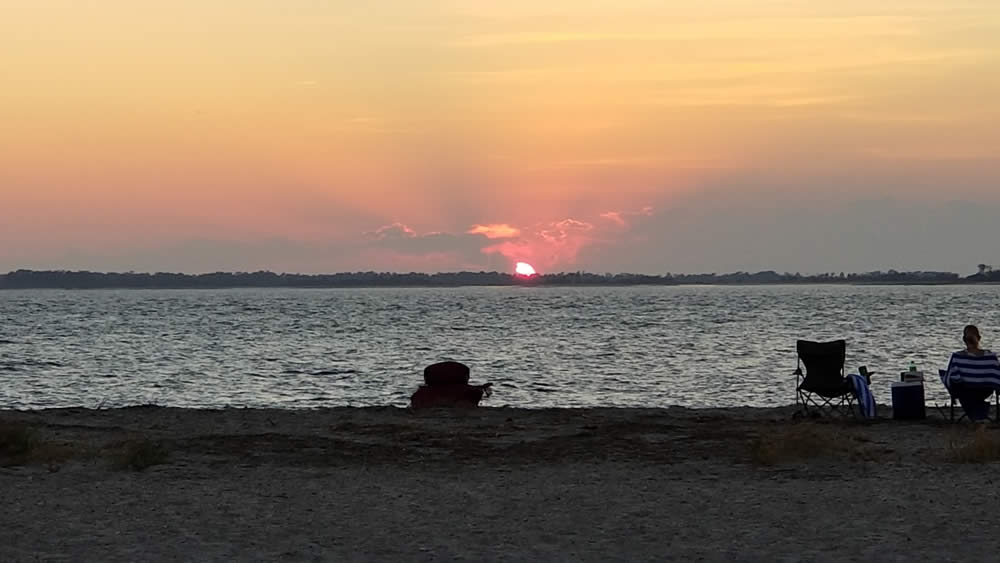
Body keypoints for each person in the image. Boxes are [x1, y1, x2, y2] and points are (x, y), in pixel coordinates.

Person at [942, 325, 1000, 421]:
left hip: (965, 392)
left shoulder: (957, 357)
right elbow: (997, 378)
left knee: (947, 377)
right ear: (979, 338)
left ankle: (975, 413)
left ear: (964, 339)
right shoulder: (991, 357)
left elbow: (953, 379)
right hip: (985, 391)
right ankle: (979, 411)